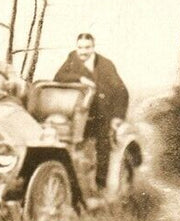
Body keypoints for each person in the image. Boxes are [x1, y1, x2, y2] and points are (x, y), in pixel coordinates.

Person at [54, 32, 129, 187]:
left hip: (103, 114)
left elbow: (122, 92)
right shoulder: (72, 60)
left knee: (103, 148)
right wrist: (80, 78)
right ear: (76, 47)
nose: (83, 52)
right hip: (83, 115)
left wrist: (117, 118)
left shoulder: (106, 65)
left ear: (93, 48)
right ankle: (75, 186)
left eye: (87, 48)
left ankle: (100, 186)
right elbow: (59, 77)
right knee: (70, 146)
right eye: (80, 47)